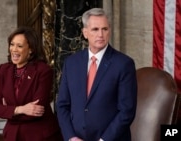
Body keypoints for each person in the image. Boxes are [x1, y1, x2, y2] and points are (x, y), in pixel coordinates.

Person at [56, 8, 137, 141]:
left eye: (104, 29)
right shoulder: (71, 63)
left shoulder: (124, 64)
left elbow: (126, 111)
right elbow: (62, 105)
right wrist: (71, 137)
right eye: (95, 29)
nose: (101, 34)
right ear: (85, 33)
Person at [0, 26, 63, 141]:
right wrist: (20, 109)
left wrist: (8, 110)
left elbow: (35, 111)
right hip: (12, 135)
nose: (14, 49)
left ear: (31, 49)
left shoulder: (43, 71)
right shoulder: (3, 69)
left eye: (19, 46)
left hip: (38, 135)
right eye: (12, 44)